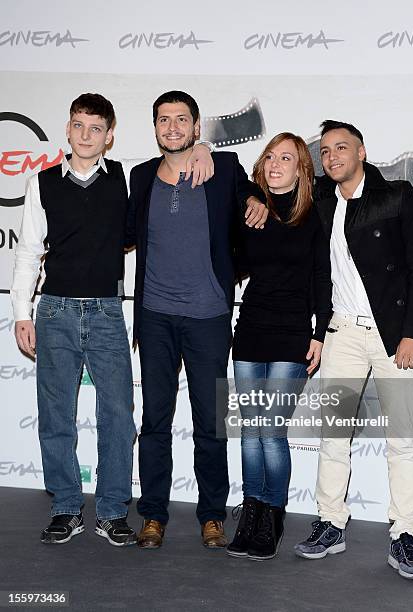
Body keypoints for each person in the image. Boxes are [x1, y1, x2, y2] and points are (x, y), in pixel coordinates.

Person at [10, 92, 214, 547]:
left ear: (109, 136)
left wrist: (202, 149)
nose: (86, 135)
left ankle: (111, 511)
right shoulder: (40, 183)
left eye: (96, 128)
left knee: (120, 415)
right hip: (55, 310)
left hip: (106, 311)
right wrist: (21, 313)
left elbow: (178, 158)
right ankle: (65, 507)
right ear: (67, 129)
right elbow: (27, 254)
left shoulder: (127, 176)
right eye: (79, 125)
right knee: (56, 416)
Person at [294, 120, 413, 580]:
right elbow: (266, 182)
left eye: (342, 147)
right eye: (326, 151)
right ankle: (331, 522)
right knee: (333, 436)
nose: (332, 156)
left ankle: (405, 533)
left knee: (402, 438)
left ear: (362, 152)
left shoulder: (394, 196)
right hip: (341, 334)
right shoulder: (318, 199)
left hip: (392, 332)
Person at [126, 90, 268, 550]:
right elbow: (124, 232)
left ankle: (212, 516)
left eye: (181, 120)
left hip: (208, 316)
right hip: (155, 317)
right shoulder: (140, 175)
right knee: (155, 422)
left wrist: (256, 198)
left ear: (195, 125)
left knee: (210, 423)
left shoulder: (222, 167)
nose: (172, 127)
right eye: (163, 119)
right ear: (154, 128)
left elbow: (252, 192)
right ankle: (152, 515)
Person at [226, 133, 332, 561]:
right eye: (270, 156)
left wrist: (320, 333)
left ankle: (272, 515)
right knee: (250, 433)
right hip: (249, 330)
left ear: (302, 168)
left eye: (285, 157)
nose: (275, 163)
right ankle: (250, 513)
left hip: (292, 335)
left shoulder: (315, 213)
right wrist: (252, 196)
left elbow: (323, 279)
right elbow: (233, 259)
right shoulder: (252, 210)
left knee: (271, 431)